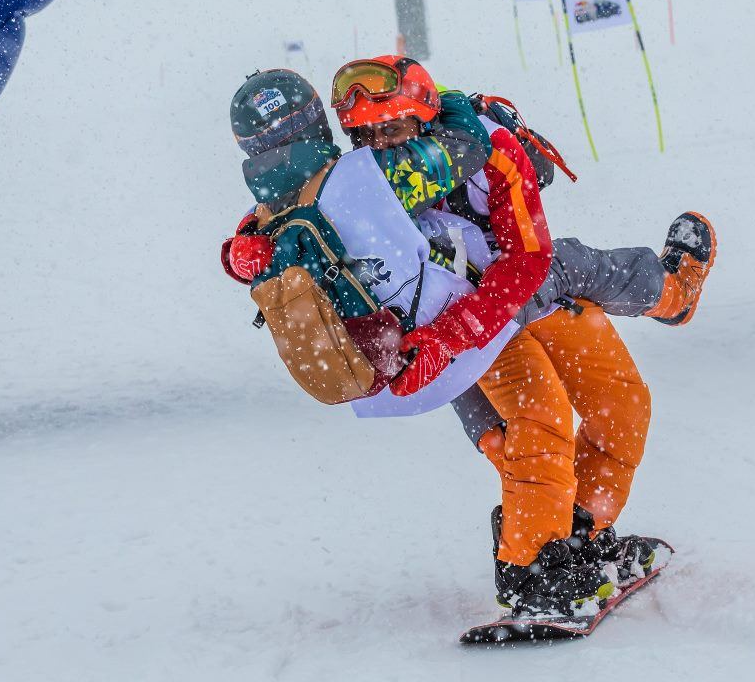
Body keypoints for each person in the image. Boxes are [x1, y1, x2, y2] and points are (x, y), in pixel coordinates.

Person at [222, 63, 717, 618]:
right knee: (527, 429)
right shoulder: (365, 175)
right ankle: (534, 561)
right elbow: (299, 206)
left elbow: (528, 261)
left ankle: (578, 532)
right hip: (465, 325)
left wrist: (447, 339)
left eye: (395, 130)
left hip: (513, 297)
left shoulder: (479, 154)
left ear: (425, 117)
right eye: (366, 136)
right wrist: (243, 246)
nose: (382, 147)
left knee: (620, 403)